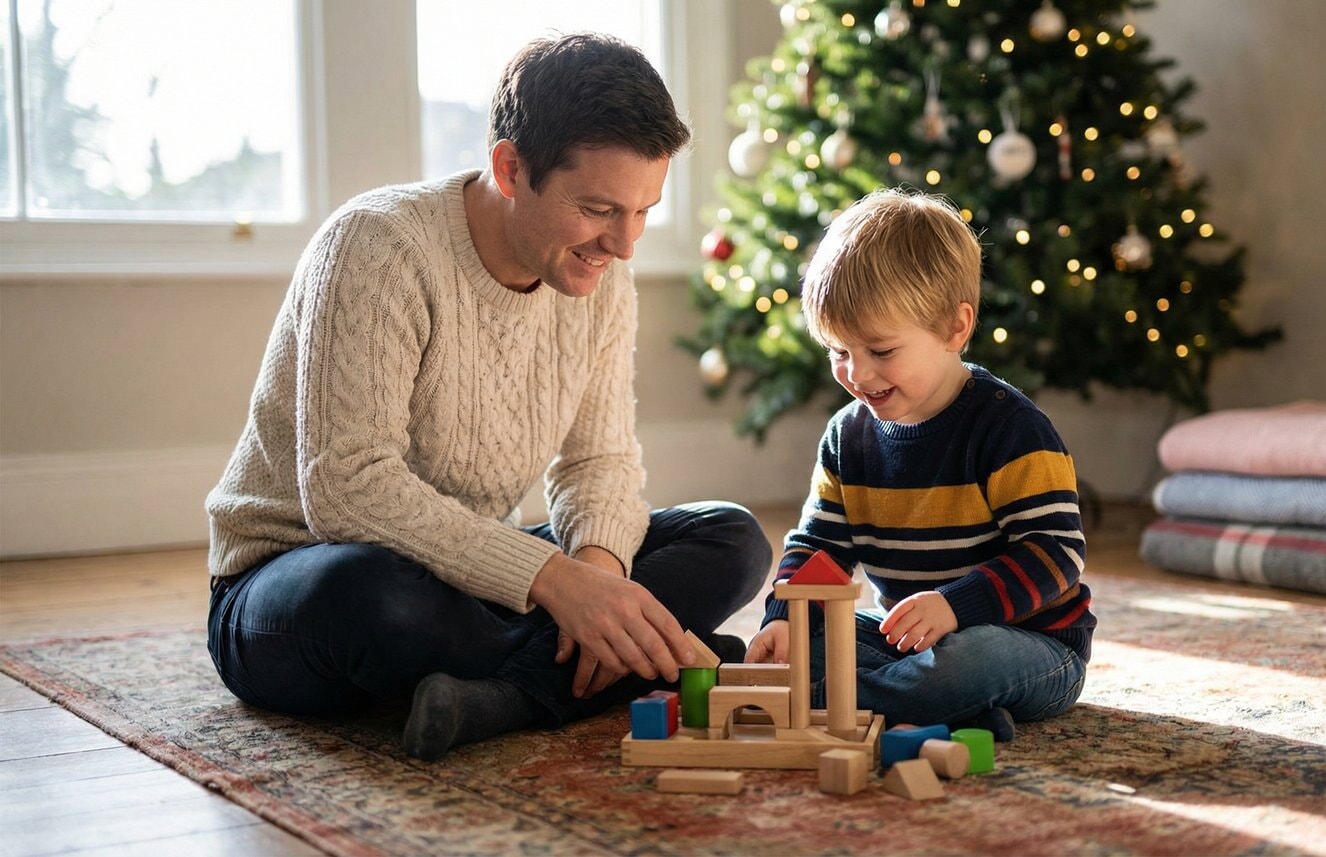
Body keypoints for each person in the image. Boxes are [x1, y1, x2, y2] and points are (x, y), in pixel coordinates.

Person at [205, 33, 771, 761]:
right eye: (599, 209)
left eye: (643, 211)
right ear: (511, 167)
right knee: (379, 597)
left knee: (729, 539)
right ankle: (627, 662)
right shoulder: (378, 245)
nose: (623, 244)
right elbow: (345, 489)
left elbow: (597, 460)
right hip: (300, 577)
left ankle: (502, 697)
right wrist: (556, 583)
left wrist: (597, 576)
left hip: (472, 576)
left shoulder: (598, 280)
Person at [744, 188, 1093, 742]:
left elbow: (1056, 554)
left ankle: (857, 698)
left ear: (955, 329)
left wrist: (956, 607)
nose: (857, 375)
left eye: (881, 352)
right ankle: (944, 709)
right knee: (813, 644)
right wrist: (785, 619)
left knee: (964, 663)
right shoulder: (846, 435)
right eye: (839, 351)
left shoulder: (1009, 428)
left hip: (1027, 642)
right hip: (904, 638)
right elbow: (819, 547)